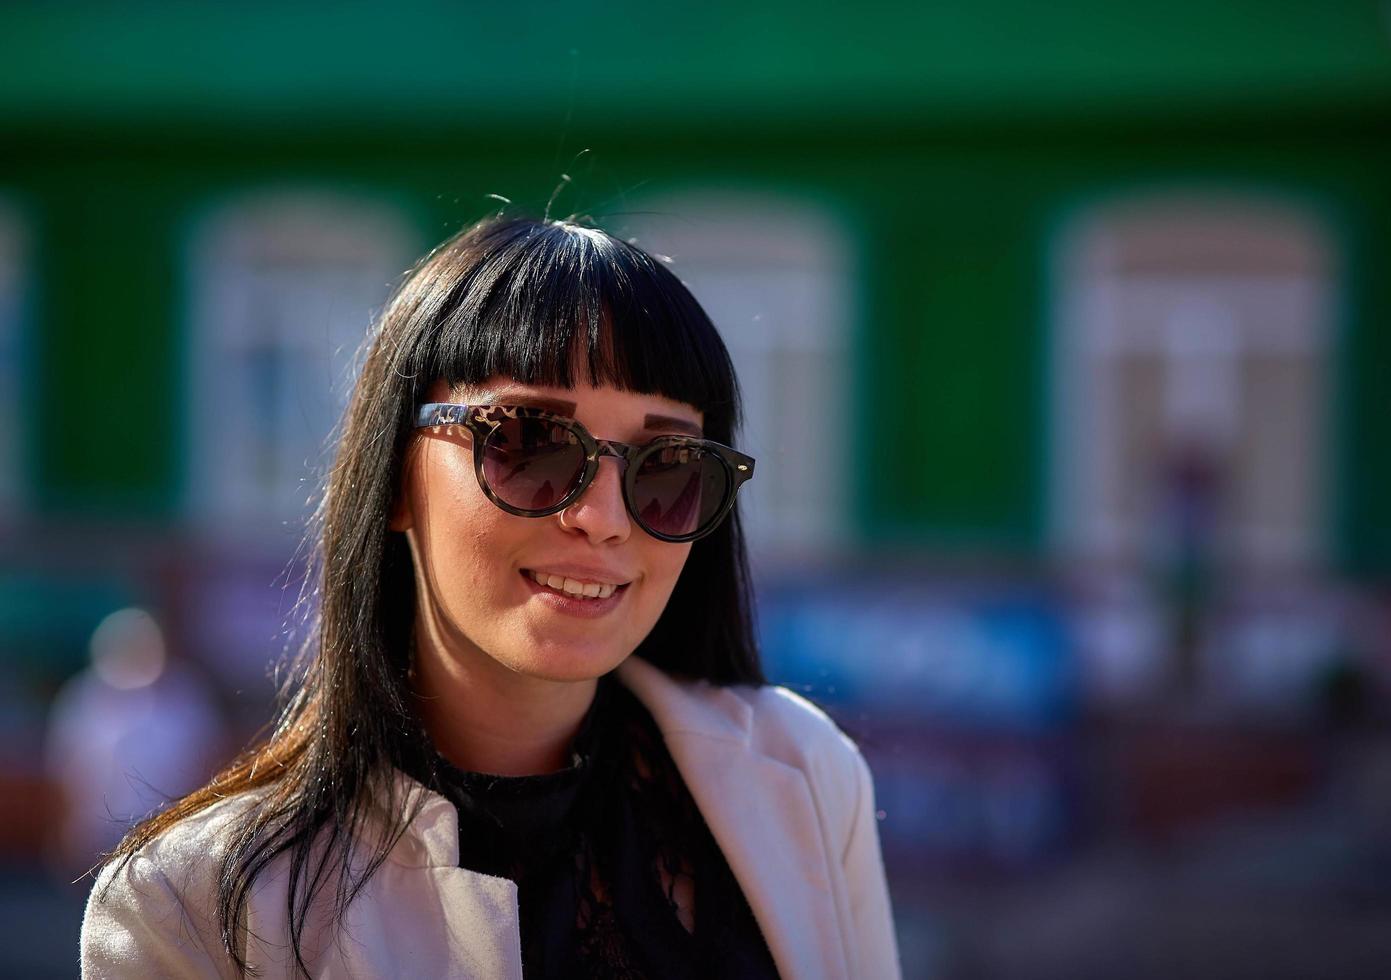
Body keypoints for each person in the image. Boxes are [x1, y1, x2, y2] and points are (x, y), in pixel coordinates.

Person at [80, 214, 901, 979]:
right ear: (394, 479)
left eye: (670, 466)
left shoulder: (805, 778)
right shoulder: (189, 907)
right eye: (529, 443)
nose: (604, 519)